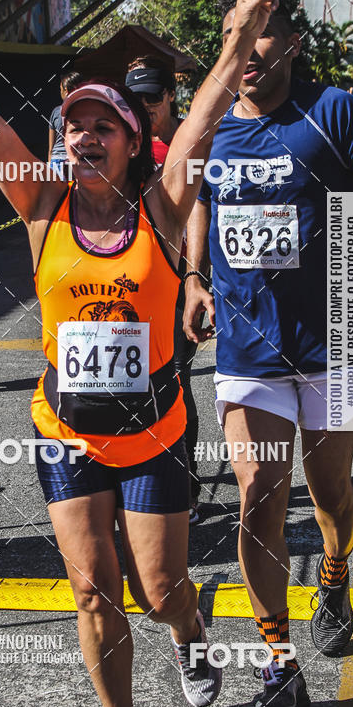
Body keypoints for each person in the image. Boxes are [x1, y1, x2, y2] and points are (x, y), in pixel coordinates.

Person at [0, 0, 277, 707]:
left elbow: (202, 116)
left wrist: (239, 33)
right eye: (73, 125)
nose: (83, 136)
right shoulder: (40, 205)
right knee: (94, 591)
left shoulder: (165, 210)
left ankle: (189, 632)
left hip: (157, 430)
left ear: (133, 142)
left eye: (103, 125)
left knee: (160, 588)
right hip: (67, 431)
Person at [183, 0, 353, 707]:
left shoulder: (337, 111)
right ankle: (278, 661)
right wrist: (193, 277)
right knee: (257, 497)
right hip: (248, 351)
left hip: (333, 345)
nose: (244, 49)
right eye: (232, 35)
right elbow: (193, 197)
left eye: (258, 34)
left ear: (289, 44)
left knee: (330, 498)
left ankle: (337, 570)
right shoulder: (213, 118)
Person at [125, 57, 202, 524]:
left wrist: (193, 278)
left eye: (154, 97)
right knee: (132, 385)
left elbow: (197, 212)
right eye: (138, 99)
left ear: (170, 95)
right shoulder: (125, 142)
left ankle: (184, 484)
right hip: (132, 279)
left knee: (173, 379)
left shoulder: (185, 141)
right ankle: (136, 481)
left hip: (178, 283)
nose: (147, 107)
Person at [48, 70, 85, 179]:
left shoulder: (56, 112)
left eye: (60, 89)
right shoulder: (85, 112)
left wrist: (51, 166)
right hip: (76, 160)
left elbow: (51, 147)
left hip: (57, 161)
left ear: (66, 90)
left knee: (60, 195)